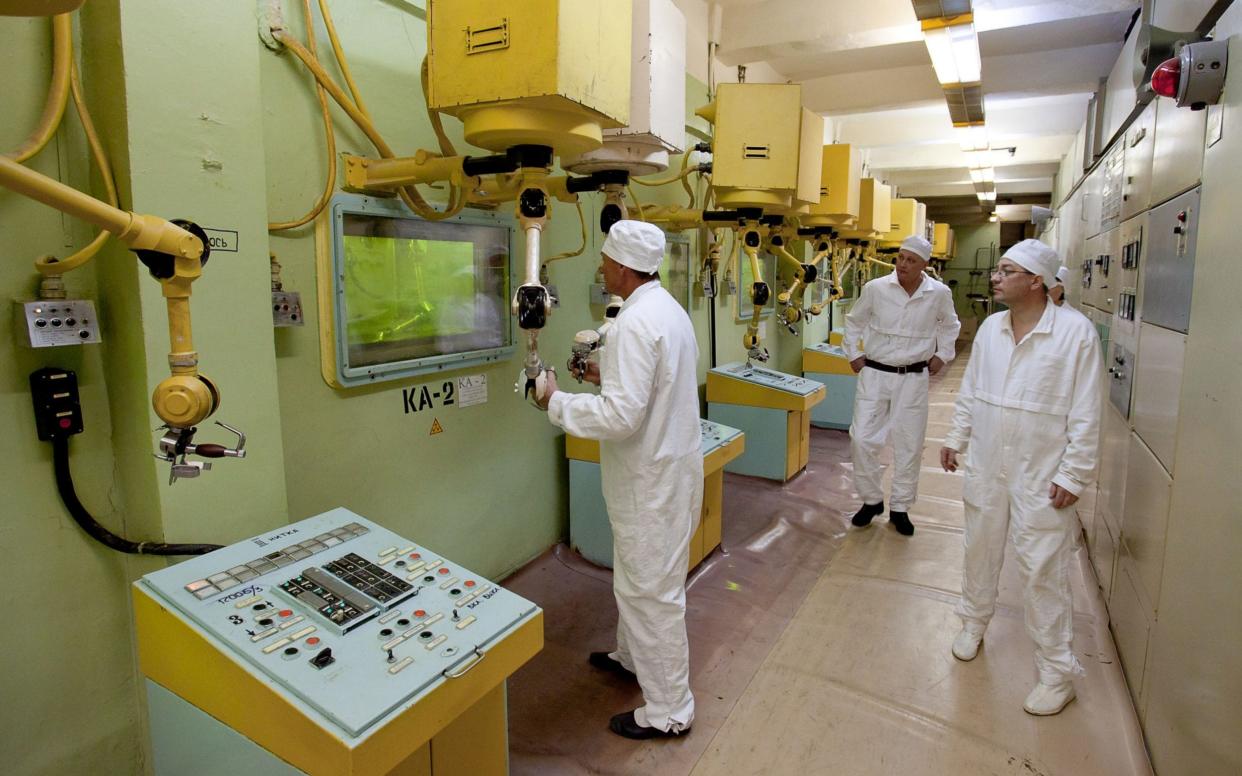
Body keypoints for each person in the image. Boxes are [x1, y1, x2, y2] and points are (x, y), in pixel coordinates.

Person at [534, 220, 702, 739]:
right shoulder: (666, 311)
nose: (600, 267)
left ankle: (670, 710)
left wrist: (554, 402)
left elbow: (619, 418)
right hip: (668, 470)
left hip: (650, 481)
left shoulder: (633, 324)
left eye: (605, 260)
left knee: (650, 592)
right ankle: (633, 657)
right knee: (641, 580)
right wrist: (602, 374)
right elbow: (652, 383)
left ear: (624, 268)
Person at [939, 239, 1102, 716]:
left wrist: (1075, 473)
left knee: (1042, 570)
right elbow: (971, 389)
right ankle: (973, 622)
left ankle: (1056, 673)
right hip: (989, 463)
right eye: (998, 269)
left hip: (1043, 473)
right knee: (980, 547)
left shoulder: (1075, 334)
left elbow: (1087, 411)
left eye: (1006, 270)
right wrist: (956, 436)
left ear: (1036, 280)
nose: (995, 276)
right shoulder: (991, 328)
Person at [844, 234, 961, 535]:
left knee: (909, 443)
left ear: (924, 264)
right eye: (900, 258)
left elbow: (950, 325)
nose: (903, 265)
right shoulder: (876, 289)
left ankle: (900, 508)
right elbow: (853, 321)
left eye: (911, 260)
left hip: (913, 377)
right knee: (862, 439)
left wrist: (943, 355)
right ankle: (871, 500)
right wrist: (854, 353)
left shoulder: (938, 293)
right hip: (875, 374)